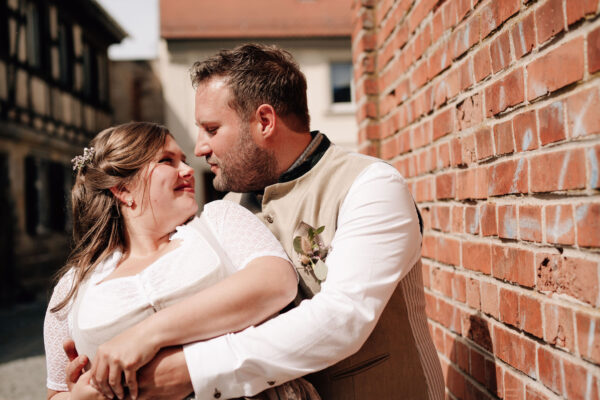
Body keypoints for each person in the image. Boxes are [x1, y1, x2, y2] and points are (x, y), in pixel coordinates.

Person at [65, 44, 445, 399]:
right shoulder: (225, 211)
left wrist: (188, 371)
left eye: (212, 129)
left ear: (264, 121)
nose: (199, 149)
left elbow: (343, 319)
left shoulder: (369, 185)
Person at [43, 121, 321, 400]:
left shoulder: (220, 222)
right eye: (167, 161)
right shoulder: (73, 287)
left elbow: (276, 283)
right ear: (123, 189)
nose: (188, 171)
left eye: (184, 161)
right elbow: (56, 393)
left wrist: (146, 335)